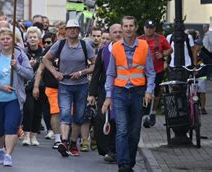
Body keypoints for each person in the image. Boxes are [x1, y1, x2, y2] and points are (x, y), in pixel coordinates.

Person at [102, 16, 155, 172]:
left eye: (131, 25)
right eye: (125, 26)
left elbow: (150, 72)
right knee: (122, 129)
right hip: (120, 92)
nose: (128, 29)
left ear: (136, 27)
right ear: (123, 28)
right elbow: (111, 73)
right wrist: (108, 96)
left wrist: (149, 91)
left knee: (134, 132)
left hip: (138, 92)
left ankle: (130, 162)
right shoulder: (116, 47)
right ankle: (123, 165)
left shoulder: (144, 46)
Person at [42, 19, 95, 157]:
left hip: (81, 85)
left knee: (78, 115)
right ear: (65, 31)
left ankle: (72, 143)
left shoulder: (85, 46)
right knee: (65, 113)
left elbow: (95, 65)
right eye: (70, 28)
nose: (72, 31)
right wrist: (55, 73)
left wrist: (81, 73)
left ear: (78, 31)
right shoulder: (59, 45)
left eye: (75, 28)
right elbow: (45, 59)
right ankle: (64, 142)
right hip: (64, 85)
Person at [0, 28, 33, 167]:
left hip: (14, 99)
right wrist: (0, 86)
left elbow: (30, 74)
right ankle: (1, 148)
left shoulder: (20, 55)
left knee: (11, 127)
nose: (5, 41)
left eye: (8, 38)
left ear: (13, 40)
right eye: (2, 39)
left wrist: (17, 67)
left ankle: (8, 155)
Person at [88, 23, 122, 163]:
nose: (118, 34)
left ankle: (114, 151)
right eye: (115, 32)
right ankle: (105, 149)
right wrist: (92, 94)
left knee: (116, 121)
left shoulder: (128, 50)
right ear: (110, 34)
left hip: (121, 90)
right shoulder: (103, 51)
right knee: (102, 120)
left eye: (120, 31)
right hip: (104, 90)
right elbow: (96, 74)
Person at [138, 19, 172, 127]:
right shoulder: (139, 39)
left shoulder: (161, 39)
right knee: (143, 92)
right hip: (142, 71)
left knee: (155, 92)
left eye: (151, 28)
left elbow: (170, 50)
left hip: (157, 70)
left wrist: (162, 54)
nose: (149, 30)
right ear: (144, 28)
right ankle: (143, 113)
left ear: (154, 29)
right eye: (147, 27)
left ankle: (152, 112)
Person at [22, 26, 44, 146]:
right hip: (27, 85)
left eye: (35, 37)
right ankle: (26, 135)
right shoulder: (23, 52)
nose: (32, 39)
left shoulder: (44, 52)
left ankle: (34, 135)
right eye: (30, 37)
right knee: (28, 109)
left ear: (39, 39)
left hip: (40, 85)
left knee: (37, 111)